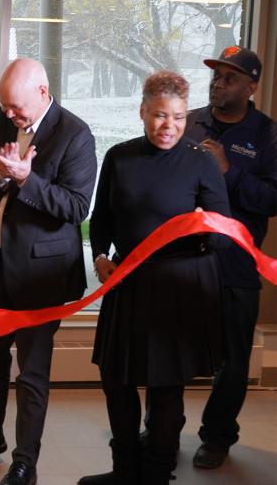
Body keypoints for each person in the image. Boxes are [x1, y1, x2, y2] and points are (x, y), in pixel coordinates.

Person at [0, 58, 96, 485]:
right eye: (4, 107)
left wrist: (28, 179)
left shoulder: (76, 134)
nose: (9, 115)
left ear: (43, 93)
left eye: (16, 107)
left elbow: (76, 208)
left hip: (41, 276)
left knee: (31, 373)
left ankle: (25, 461)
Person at [78, 70, 230, 485]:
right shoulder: (120, 157)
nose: (170, 126)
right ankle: (124, 470)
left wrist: (206, 228)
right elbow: (103, 219)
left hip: (179, 289)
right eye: (161, 116)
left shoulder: (201, 161)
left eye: (179, 117)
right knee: (116, 380)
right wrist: (100, 255)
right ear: (143, 112)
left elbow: (226, 233)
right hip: (128, 282)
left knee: (165, 388)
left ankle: (157, 474)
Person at [187, 47, 277, 470]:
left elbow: (272, 199)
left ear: (252, 86)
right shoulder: (188, 124)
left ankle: (218, 436)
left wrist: (228, 170)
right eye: (217, 76)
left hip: (237, 264)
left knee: (233, 359)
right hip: (186, 261)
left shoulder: (267, 135)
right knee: (171, 347)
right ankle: (161, 428)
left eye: (230, 78)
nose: (219, 84)